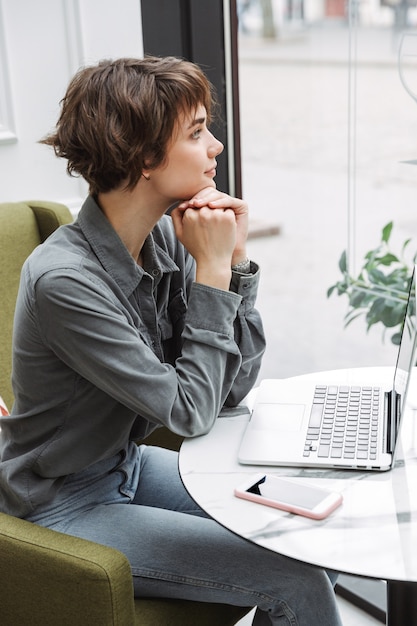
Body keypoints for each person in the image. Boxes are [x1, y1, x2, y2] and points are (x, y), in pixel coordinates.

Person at [0, 56, 342, 625]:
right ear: (144, 158)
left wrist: (235, 268)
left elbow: (226, 391)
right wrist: (212, 274)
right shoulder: (64, 281)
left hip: (124, 466)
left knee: (309, 536)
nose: (216, 148)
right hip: (61, 504)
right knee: (298, 578)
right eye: (196, 132)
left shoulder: (162, 237)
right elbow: (189, 415)